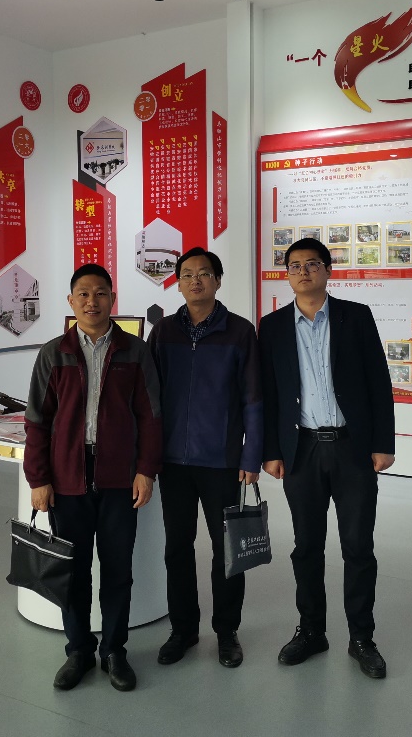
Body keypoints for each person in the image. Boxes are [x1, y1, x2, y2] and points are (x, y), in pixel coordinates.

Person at [259, 238, 395, 679]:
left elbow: (378, 382)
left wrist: (383, 442)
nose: (303, 272)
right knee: (306, 547)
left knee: (357, 547)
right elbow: (269, 393)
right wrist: (271, 450)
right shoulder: (272, 326)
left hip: (352, 447)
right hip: (302, 450)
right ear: (286, 274)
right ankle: (312, 631)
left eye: (312, 264)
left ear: (327, 270)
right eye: (294, 265)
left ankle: (362, 638)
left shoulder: (356, 316)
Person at [23, 264, 162, 693]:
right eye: (83, 294)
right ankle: (79, 651)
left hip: (120, 478)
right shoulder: (54, 353)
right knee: (73, 570)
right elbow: (36, 421)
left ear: (112, 299)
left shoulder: (135, 351)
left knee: (118, 570)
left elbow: (151, 417)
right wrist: (38, 478)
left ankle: (114, 651)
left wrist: (145, 470)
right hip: (67, 478)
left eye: (100, 293)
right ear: (71, 301)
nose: (91, 301)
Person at [146, 247, 262, 669]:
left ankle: (227, 631)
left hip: (222, 462)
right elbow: (148, 398)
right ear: (177, 283)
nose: (195, 280)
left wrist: (251, 455)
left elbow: (254, 399)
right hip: (173, 463)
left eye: (204, 273)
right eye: (187, 274)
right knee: (177, 547)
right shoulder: (163, 332)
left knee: (226, 550)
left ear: (218, 280)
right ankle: (183, 630)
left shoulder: (240, 332)